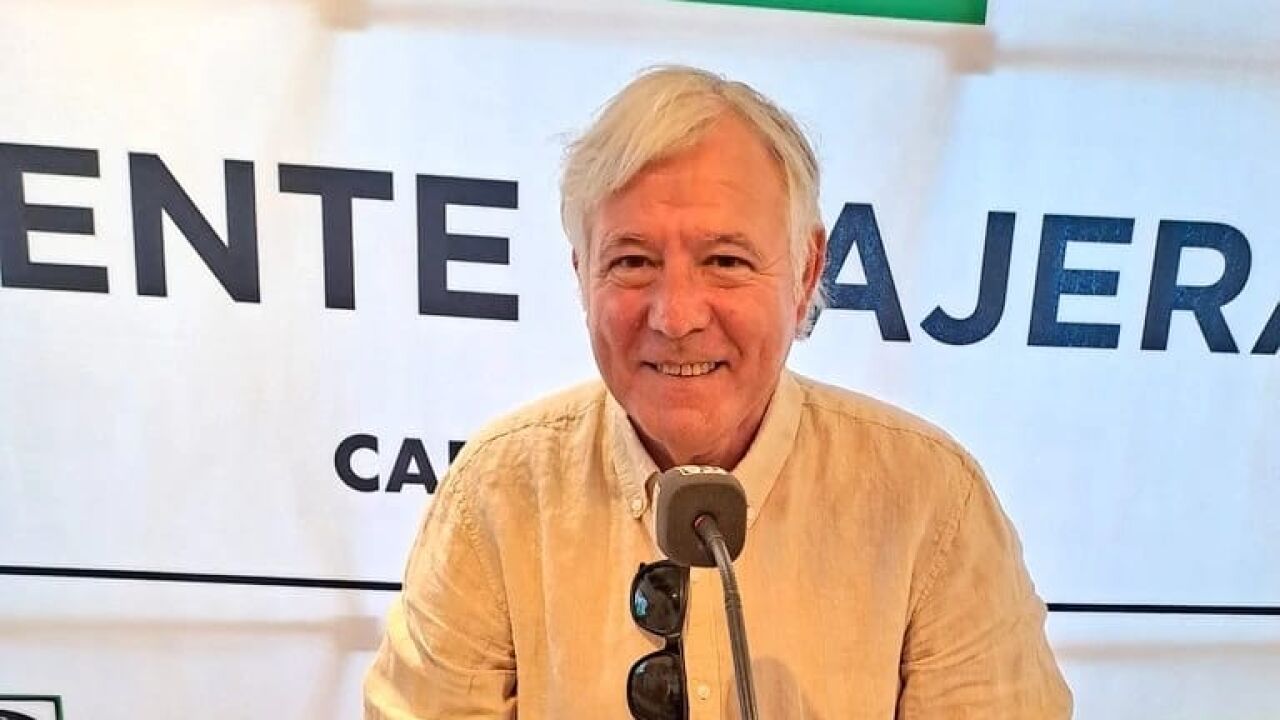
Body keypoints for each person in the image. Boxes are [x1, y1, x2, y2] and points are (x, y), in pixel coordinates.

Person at [364, 65, 1072, 719]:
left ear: (806, 272)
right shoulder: (495, 493)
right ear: (582, 275)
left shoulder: (931, 504)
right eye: (632, 261)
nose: (675, 317)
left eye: (726, 261)